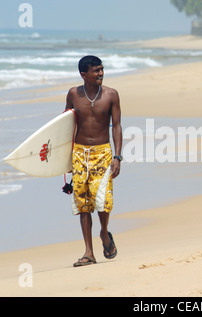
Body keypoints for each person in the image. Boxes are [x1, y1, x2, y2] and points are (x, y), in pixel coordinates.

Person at [65, 55, 123, 267]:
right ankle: (89, 252)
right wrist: (65, 160)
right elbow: (66, 125)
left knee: (103, 201)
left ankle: (104, 232)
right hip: (79, 153)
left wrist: (117, 156)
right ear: (84, 74)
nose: (101, 73)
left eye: (102, 69)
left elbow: (116, 126)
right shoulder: (73, 94)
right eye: (96, 70)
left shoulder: (111, 95)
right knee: (83, 204)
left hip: (102, 153)